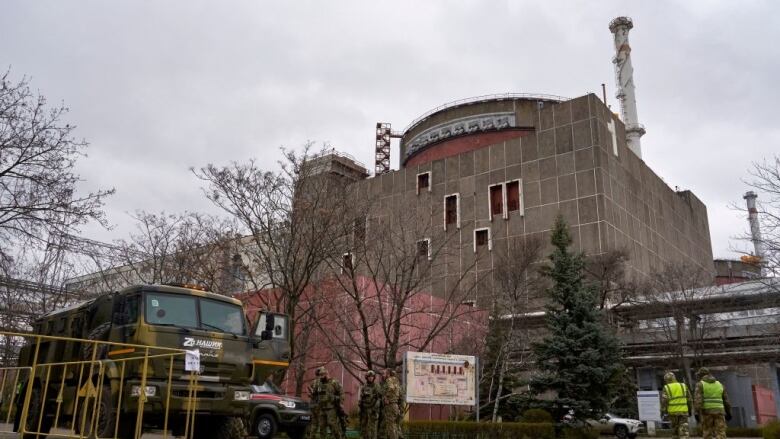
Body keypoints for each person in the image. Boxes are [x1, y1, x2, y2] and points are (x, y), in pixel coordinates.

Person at [694, 367, 732, 439]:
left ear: (701, 375)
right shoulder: (719, 384)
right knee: (721, 432)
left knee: (707, 432)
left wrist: (696, 412)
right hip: (720, 411)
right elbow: (726, 400)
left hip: (706, 412)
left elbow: (698, 400)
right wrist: (728, 412)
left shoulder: (700, 384)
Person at [311, 366, 346, 439]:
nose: (321, 377)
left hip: (331, 408)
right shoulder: (318, 383)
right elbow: (314, 394)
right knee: (322, 426)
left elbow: (342, 393)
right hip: (321, 408)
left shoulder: (334, 382)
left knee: (332, 425)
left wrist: (339, 402)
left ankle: (338, 437)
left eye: (322, 375)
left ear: (326, 374)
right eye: (320, 375)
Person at [661, 371, 692, 439]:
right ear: (674, 378)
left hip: (672, 413)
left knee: (674, 432)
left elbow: (664, 401)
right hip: (684, 412)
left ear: (666, 380)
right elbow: (689, 399)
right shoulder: (683, 385)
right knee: (684, 431)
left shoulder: (666, 387)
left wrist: (663, 411)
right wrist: (690, 410)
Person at [359, 370, 382, 439]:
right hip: (365, 410)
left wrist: (375, 408)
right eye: (369, 376)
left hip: (373, 410)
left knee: (372, 428)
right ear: (367, 377)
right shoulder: (364, 386)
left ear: (374, 377)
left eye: (372, 376)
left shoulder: (376, 386)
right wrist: (360, 405)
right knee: (364, 427)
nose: (370, 378)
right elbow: (361, 397)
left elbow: (379, 398)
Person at [380, 369, 403, 439]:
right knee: (395, 426)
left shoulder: (389, 380)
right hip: (395, 405)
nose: (383, 375)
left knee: (391, 426)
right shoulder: (396, 381)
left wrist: (386, 397)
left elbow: (391, 388)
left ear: (388, 374)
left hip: (390, 405)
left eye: (384, 373)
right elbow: (400, 394)